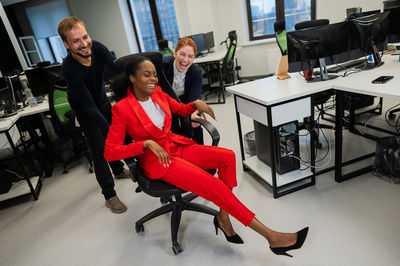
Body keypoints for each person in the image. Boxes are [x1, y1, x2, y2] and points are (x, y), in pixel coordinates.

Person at [104, 56, 309, 257]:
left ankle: (223, 217)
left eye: (155, 75)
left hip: (175, 145)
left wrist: (195, 104)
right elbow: (110, 151)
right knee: (214, 185)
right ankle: (271, 237)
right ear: (132, 78)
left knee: (227, 157)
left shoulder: (158, 93)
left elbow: (180, 109)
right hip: (158, 160)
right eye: (146, 75)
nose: (153, 80)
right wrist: (144, 144)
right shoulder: (122, 109)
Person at [58, 16, 129, 214]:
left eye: (85, 37)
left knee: (113, 135)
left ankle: (117, 170)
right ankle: (109, 195)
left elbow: (116, 67)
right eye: (76, 41)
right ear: (66, 44)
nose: (83, 44)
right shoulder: (69, 69)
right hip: (84, 107)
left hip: (101, 99)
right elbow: (89, 107)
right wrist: (111, 132)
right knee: (100, 148)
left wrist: (137, 69)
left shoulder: (96, 47)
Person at [162, 38, 204, 144]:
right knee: (173, 127)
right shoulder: (162, 65)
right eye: (182, 54)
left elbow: (195, 97)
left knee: (196, 124)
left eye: (190, 56)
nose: (185, 60)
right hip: (166, 101)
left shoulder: (196, 72)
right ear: (175, 53)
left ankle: (200, 152)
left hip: (185, 100)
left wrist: (194, 114)